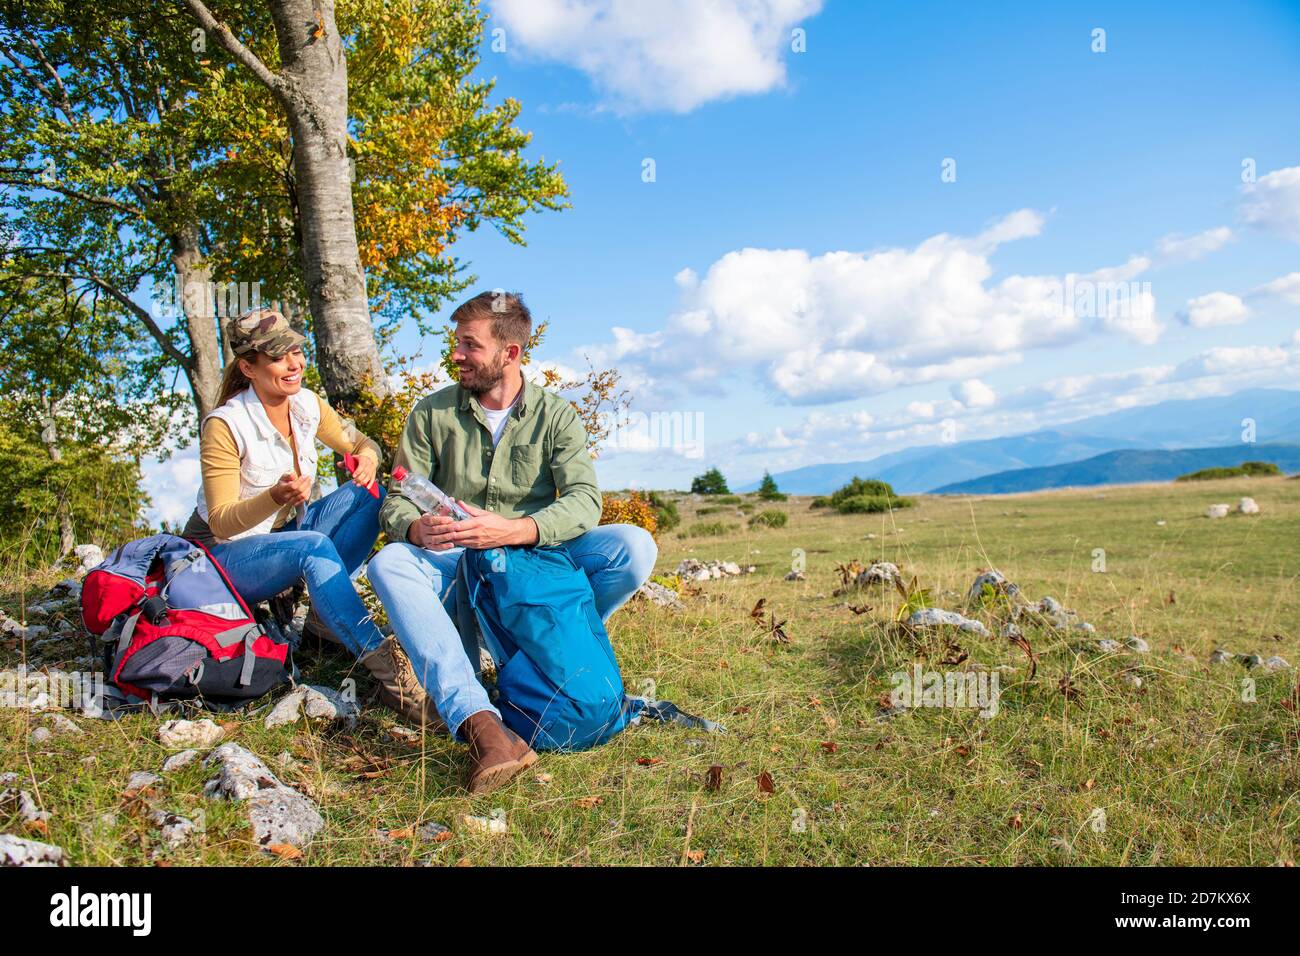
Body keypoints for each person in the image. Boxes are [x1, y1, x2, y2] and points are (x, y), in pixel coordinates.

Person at [366, 291, 657, 794]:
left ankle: (544, 659)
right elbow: (398, 498)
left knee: (633, 546)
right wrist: (415, 529)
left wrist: (516, 530)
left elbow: (586, 499)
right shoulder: (431, 414)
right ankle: (478, 717)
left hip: (533, 558)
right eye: (456, 343)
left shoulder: (556, 415)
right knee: (389, 562)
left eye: (469, 345)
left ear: (511, 353)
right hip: (453, 557)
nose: (455, 355)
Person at [181, 308, 437, 726]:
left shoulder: (305, 403)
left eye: (297, 351)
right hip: (219, 559)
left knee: (371, 495)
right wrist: (273, 497)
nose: (295, 363)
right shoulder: (225, 425)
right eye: (280, 357)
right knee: (312, 546)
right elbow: (222, 522)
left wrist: (367, 460)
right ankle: (390, 674)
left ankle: (322, 622)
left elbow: (361, 441)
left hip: (284, 536)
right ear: (248, 367)